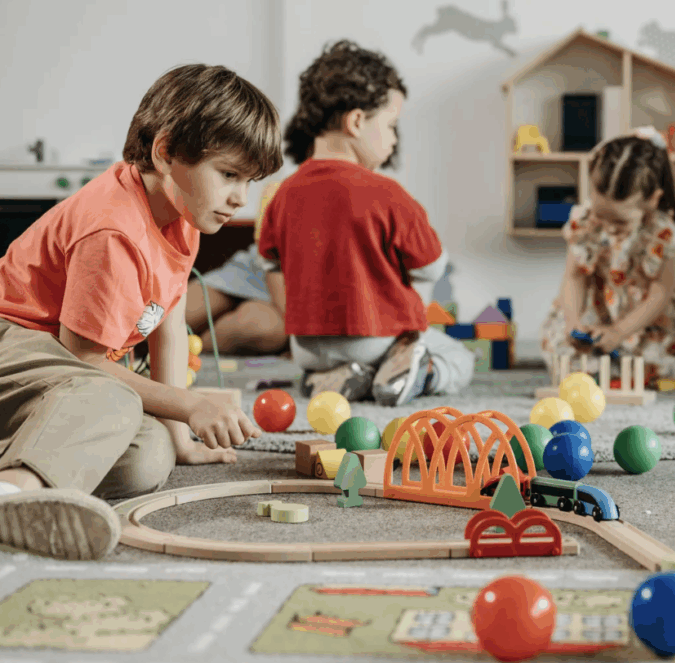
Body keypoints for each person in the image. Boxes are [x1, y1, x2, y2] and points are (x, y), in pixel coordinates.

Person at [0, 64, 281, 560]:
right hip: (16, 341)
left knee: (147, 458)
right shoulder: (113, 230)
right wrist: (191, 405)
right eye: (229, 175)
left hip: (59, 374)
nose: (240, 197)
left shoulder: (184, 215)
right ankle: (15, 493)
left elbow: (168, 321)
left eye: (250, 180)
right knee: (115, 399)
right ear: (166, 151)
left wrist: (180, 436)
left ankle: (27, 465)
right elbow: (84, 360)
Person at [258, 39, 474, 405]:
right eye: (391, 126)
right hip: (375, 338)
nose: (392, 141)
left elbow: (271, 265)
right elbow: (434, 266)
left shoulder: (282, 195)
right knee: (460, 358)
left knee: (330, 358)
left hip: (306, 347)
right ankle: (411, 371)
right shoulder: (387, 193)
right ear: (357, 121)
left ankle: (331, 379)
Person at [539, 126, 675, 385]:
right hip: (597, 310)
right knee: (561, 349)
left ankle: (619, 366)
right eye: (601, 215)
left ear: (653, 200)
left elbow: (660, 293)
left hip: (647, 318)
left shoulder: (665, 234)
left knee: (666, 356)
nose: (608, 227)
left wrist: (620, 331)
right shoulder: (584, 222)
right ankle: (602, 365)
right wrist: (574, 324)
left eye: (619, 222)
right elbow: (574, 277)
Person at [184, 181, 288, 356]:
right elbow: (270, 262)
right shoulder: (280, 190)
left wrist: (302, 340)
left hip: (290, 291)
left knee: (258, 328)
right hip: (252, 270)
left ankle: (186, 351)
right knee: (170, 314)